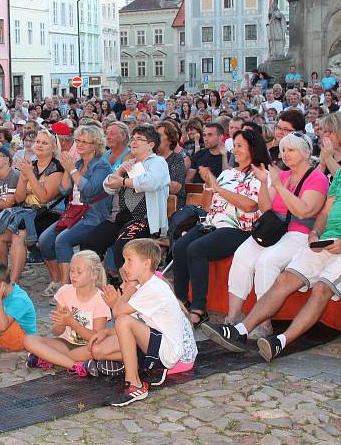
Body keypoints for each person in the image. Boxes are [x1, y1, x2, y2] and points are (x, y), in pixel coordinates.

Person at [203, 118, 341, 362]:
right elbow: (324, 212)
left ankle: (282, 341)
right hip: (324, 239)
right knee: (285, 279)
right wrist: (316, 233)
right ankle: (239, 330)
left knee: (322, 288)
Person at [217, 132, 328, 339]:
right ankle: (233, 316)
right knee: (242, 255)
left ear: (305, 152)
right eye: (284, 150)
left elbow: (304, 211)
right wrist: (263, 184)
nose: (285, 154)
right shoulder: (282, 176)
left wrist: (275, 184)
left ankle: (263, 322)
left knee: (267, 261)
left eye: (291, 150)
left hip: (299, 232)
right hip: (274, 229)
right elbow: (267, 209)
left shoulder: (317, 178)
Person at [173, 129, 268, 327]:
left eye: (240, 145)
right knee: (180, 246)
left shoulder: (259, 174)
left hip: (239, 227)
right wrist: (209, 185)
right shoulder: (227, 173)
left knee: (196, 249)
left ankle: (199, 308)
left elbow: (250, 205)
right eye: (236, 146)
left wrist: (218, 187)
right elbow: (208, 206)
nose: (236, 150)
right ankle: (181, 301)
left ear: (253, 148)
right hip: (213, 223)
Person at [90, 239, 197, 407]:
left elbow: (119, 314)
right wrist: (106, 332)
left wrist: (129, 289)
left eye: (129, 261)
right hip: (155, 342)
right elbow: (137, 321)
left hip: (168, 352)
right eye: (124, 260)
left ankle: (135, 384)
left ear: (146, 264)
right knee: (98, 350)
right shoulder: (146, 287)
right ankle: (140, 368)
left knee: (124, 321)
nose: (125, 266)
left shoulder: (153, 288)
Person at [82, 125, 169, 279]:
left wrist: (122, 181)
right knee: (89, 244)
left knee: (122, 249)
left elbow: (150, 183)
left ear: (151, 145)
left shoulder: (158, 162)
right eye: (133, 139)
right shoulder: (129, 163)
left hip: (144, 220)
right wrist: (120, 171)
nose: (134, 142)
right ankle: (101, 284)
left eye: (140, 139)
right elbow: (107, 186)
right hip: (117, 219)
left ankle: (129, 290)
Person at [38, 125, 112, 287]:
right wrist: (67, 169)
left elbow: (90, 190)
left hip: (94, 215)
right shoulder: (77, 164)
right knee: (44, 240)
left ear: (96, 145)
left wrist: (71, 169)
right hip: (73, 213)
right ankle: (57, 280)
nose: (79, 144)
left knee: (62, 240)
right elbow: (64, 189)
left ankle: (67, 286)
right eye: (78, 140)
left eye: (85, 142)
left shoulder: (102, 166)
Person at [0, 129, 64, 285]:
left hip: (50, 212)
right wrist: (23, 178)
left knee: (19, 234)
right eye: (38, 142)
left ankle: (13, 283)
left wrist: (29, 175)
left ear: (53, 147)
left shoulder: (56, 168)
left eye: (45, 143)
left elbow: (44, 198)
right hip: (26, 211)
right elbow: (19, 198)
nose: (40, 145)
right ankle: (1, 278)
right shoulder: (31, 165)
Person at [23, 251, 110, 376]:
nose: (73, 275)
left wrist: (72, 322)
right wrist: (61, 323)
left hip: (88, 347)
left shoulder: (101, 299)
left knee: (97, 351)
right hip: (64, 343)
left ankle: (51, 358)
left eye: (79, 272)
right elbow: (56, 331)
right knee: (29, 340)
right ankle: (76, 366)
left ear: (94, 274)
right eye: (71, 271)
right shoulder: (64, 292)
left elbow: (95, 337)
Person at [156, 121, 186, 207]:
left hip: (172, 206)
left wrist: (150, 183)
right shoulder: (151, 158)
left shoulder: (177, 159)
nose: (155, 139)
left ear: (170, 139)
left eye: (159, 136)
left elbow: (174, 188)